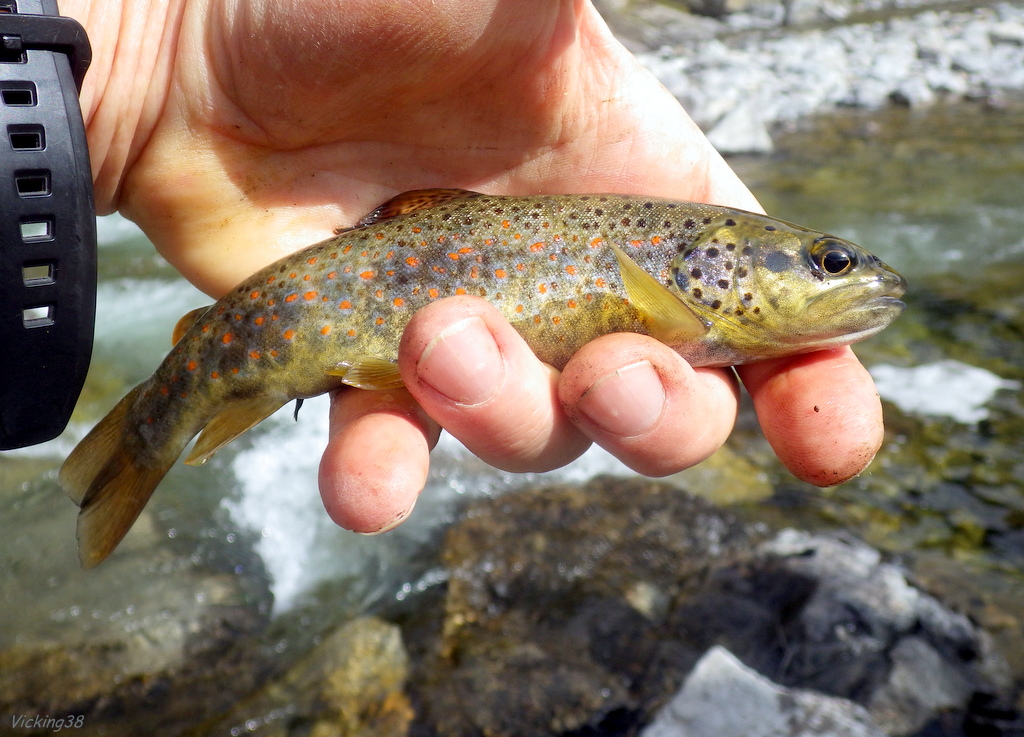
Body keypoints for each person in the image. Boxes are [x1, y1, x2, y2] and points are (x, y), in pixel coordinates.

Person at [62, 0, 886, 534]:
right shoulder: (685, 292)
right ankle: (148, 432)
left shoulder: (693, 280)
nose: (853, 277)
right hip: (283, 309)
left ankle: (147, 433)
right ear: (717, 265)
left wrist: (151, 58)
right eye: (830, 263)